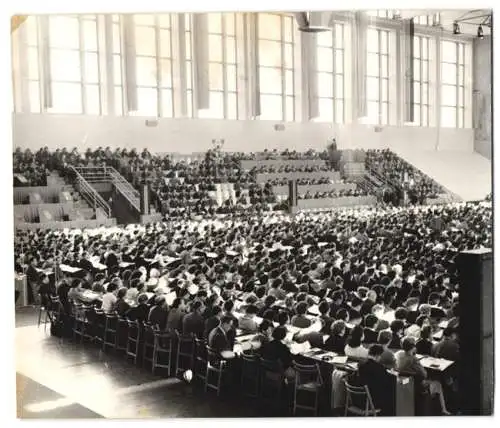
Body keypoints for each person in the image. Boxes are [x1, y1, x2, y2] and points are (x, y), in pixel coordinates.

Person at [395, 337, 451, 415]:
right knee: (437, 383)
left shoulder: (399, 354)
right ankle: (443, 409)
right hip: (415, 384)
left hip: (402, 381)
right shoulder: (413, 359)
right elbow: (424, 374)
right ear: (413, 347)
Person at [358, 344, 394, 416]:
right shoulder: (380, 368)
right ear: (378, 355)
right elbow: (385, 384)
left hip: (361, 399)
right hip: (373, 401)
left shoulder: (361, 364)